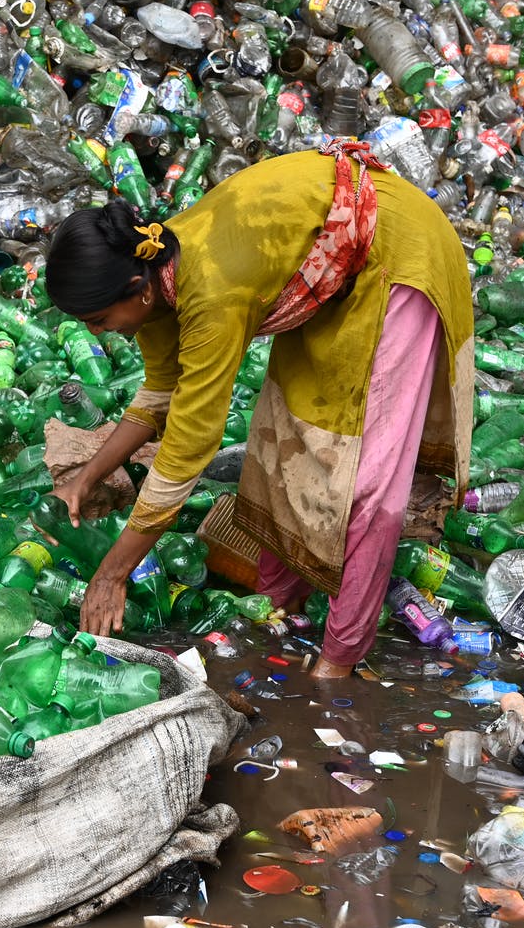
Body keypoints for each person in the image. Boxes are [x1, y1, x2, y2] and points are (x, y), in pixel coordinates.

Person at [44, 142, 474, 677]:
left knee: (365, 473)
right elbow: (160, 393)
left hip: (398, 252)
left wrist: (113, 573)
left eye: (99, 318)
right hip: (323, 271)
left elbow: (187, 448)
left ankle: (340, 659)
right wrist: (89, 476)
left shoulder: (209, 292)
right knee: (285, 442)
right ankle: (279, 608)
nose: (95, 332)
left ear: (138, 290)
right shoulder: (151, 272)